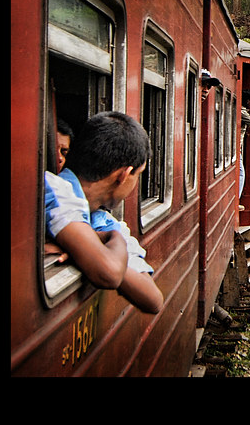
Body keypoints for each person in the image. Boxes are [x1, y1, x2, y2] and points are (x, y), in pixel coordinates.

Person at [43, 112, 164, 314]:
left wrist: (91, 247)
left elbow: (153, 300)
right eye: (138, 175)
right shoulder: (55, 190)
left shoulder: (101, 219)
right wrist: (106, 243)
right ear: (123, 175)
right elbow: (109, 273)